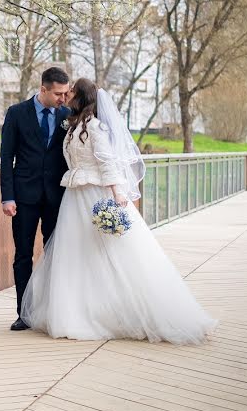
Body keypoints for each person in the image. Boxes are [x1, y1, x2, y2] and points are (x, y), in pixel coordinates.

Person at [20, 78, 217, 344]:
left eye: (72, 92)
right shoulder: (74, 125)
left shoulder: (97, 128)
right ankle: (76, 311)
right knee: (76, 256)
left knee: (107, 253)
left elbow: (107, 162)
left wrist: (117, 194)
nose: (66, 96)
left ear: (81, 96)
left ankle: (128, 311)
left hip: (94, 195)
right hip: (73, 197)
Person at [0, 67, 71, 331]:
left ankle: (52, 310)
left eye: (66, 93)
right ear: (43, 90)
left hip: (57, 197)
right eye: (58, 93)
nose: (64, 98)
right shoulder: (17, 113)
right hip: (24, 197)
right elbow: (6, 157)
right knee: (23, 255)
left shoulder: (67, 116)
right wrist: (7, 197)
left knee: (55, 254)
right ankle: (24, 314)